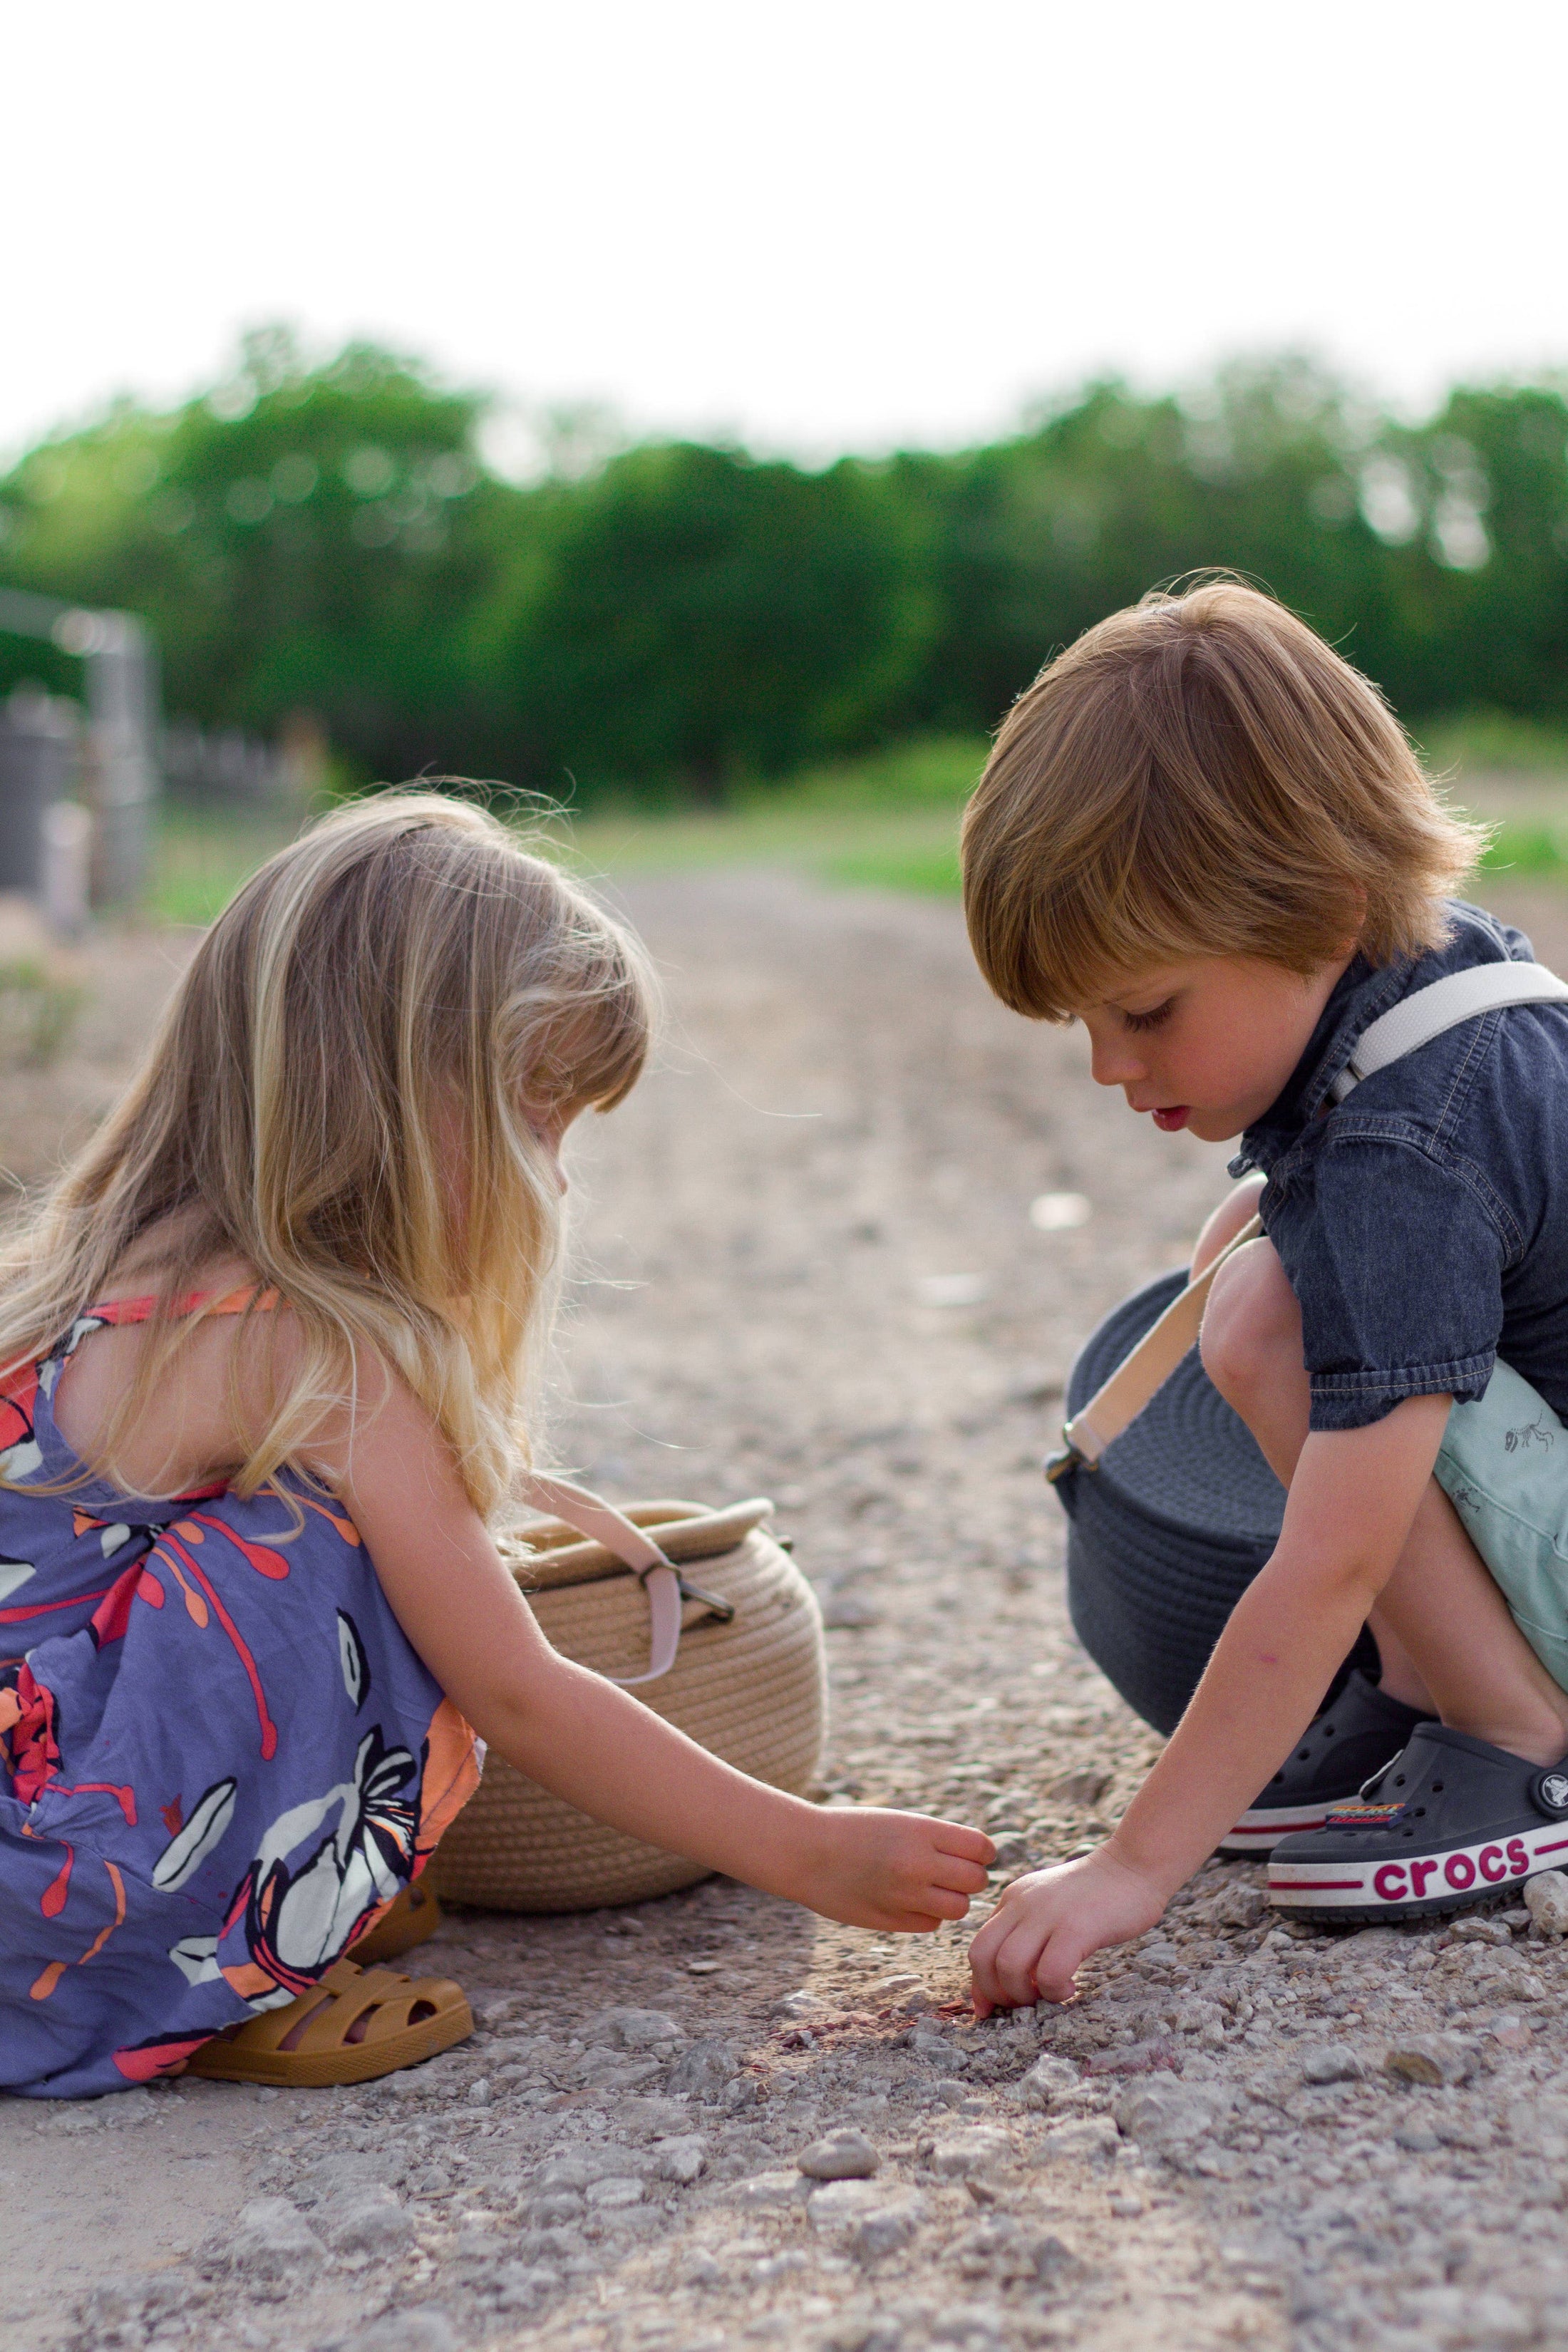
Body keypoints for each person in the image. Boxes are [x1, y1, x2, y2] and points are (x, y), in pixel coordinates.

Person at [0, 793, 993, 2097]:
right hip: (57, 1913)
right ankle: (220, 1969)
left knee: (325, 1528)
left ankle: (266, 1894)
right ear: (387, 1093)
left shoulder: (107, 1276)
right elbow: (518, 1686)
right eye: (536, 1116)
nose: (558, 1179)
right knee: (322, 1552)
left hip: (27, 1864)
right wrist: (804, 1850)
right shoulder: (313, 1350)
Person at [958, 579, 1568, 2011]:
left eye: (1146, 1009)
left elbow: (1331, 1557)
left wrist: (1130, 1868)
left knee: (1263, 1317)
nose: (1110, 1066)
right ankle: (1429, 1702)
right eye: (1084, 1022)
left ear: (1322, 909)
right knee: (1255, 1285)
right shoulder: (1441, 988)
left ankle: (1515, 1740)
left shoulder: (1403, 1151)